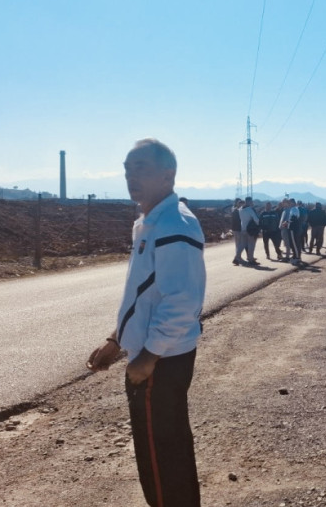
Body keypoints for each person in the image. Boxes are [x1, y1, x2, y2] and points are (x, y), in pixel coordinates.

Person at [86, 138, 204, 507]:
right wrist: (116, 339)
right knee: (162, 452)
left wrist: (149, 355)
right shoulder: (150, 221)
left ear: (168, 175)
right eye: (126, 169)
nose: (130, 177)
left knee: (161, 457)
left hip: (162, 360)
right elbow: (144, 293)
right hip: (153, 354)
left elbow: (182, 300)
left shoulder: (173, 223)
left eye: (141, 169)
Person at [230, 198, 245, 265]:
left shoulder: (233, 209)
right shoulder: (238, 211)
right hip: (238, 229)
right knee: (241, 244)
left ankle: (238, 257)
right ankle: (237, 257)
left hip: (235, 229)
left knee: (238, 244)